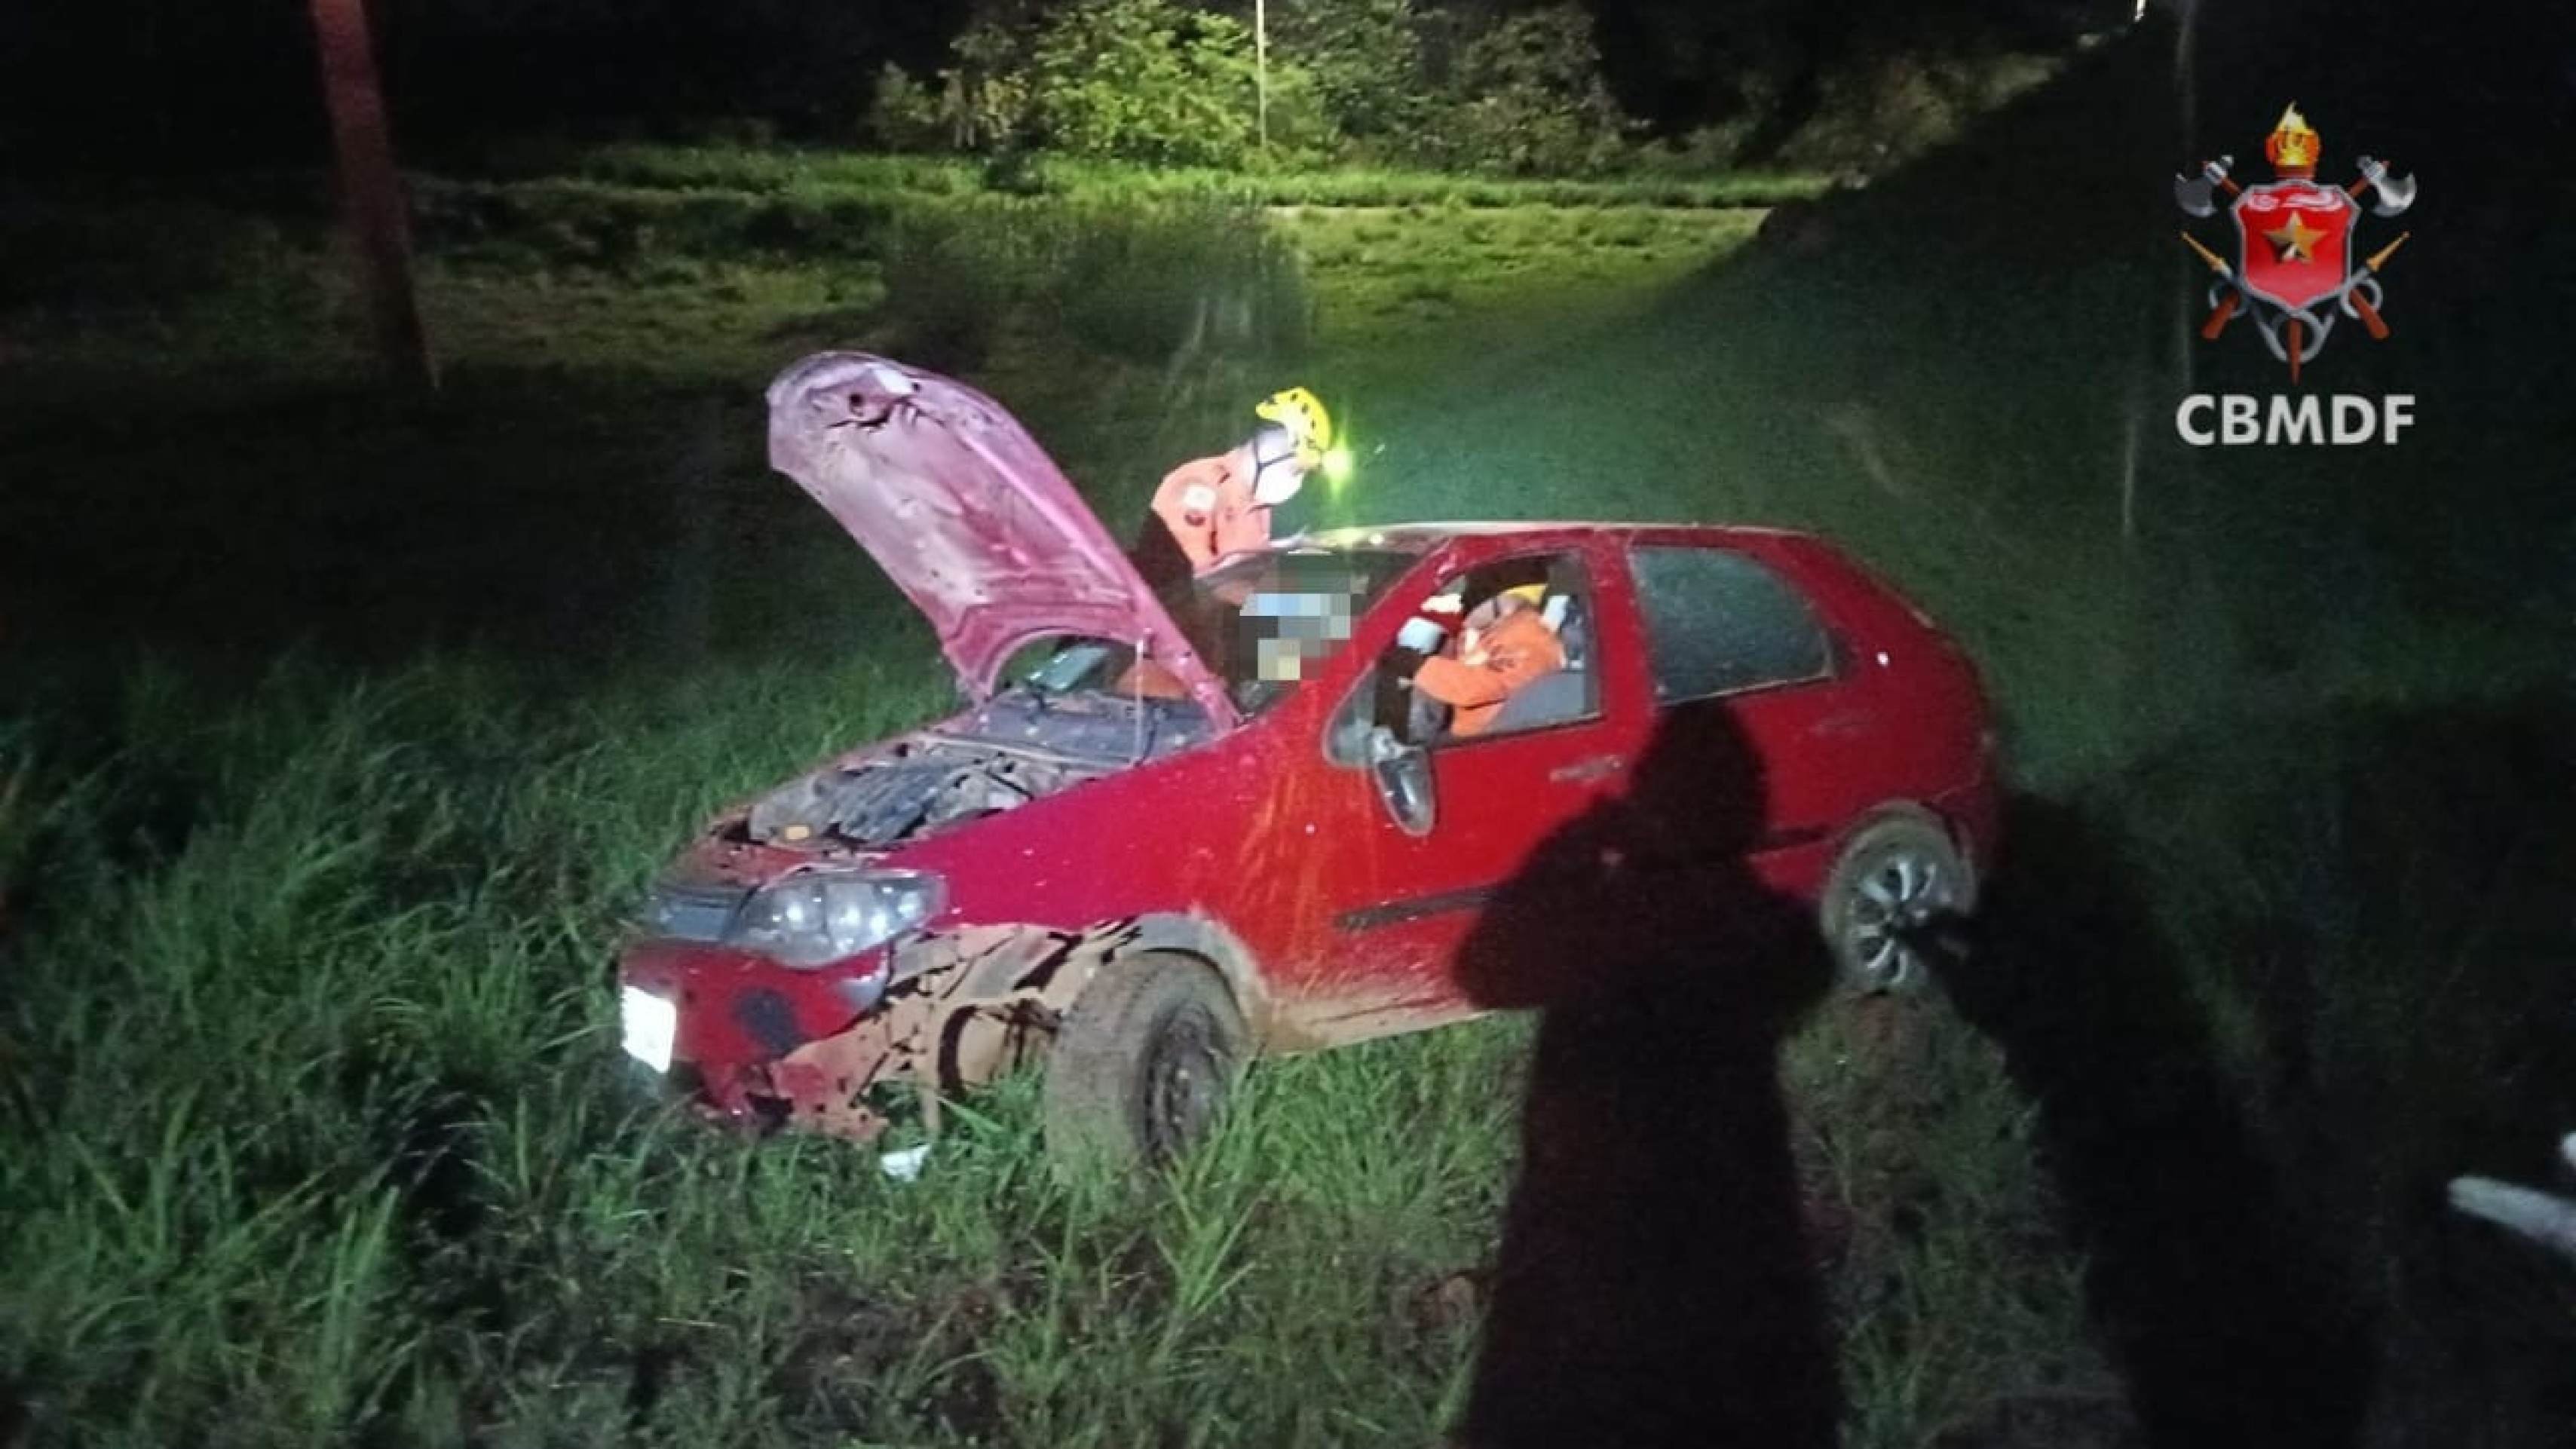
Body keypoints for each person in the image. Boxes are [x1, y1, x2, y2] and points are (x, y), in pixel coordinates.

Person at [1148, 388, 1334, 574]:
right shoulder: (1199, 486)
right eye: (1296, 470)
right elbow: (1186, 587)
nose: (1297, 480)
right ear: (1272, 449)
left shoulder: (1256, 505)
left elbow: (1249, 568)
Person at [1399, 583, 1567, 739]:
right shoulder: (1492, 630)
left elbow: (1473, 688)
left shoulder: (1533, 643)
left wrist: (1411, 665)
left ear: (1503, 601)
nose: (1463, 603)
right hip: (1463, 738)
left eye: (1473, 597)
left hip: (1490, 744)